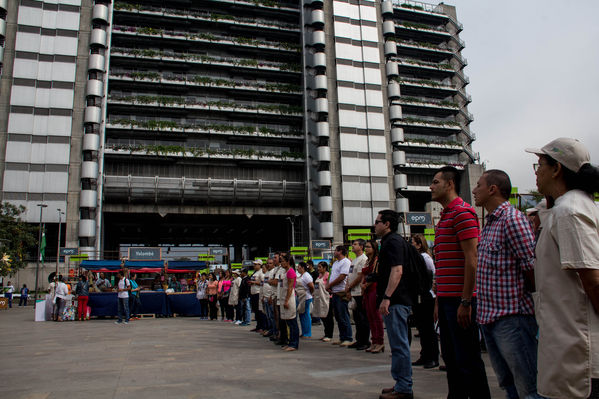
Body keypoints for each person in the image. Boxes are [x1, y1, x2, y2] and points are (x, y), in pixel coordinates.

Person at [526, 138, 599, 399]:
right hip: (568, 345)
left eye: (540, 165)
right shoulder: (563, 209)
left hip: (580, 355)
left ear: (556, 169)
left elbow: (593, 281)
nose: (537, 173)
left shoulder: (569, 211)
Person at [430, 166, 491, 399]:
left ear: (450, 183)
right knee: (451, 358)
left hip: (461, 300)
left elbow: (472, 259)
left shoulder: (463, 213)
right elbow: (443, 265)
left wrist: (466, 301)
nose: (431, 187)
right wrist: (438, 301)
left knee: (468, 359)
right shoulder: (445, 215)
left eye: (436, 182)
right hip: (446, 300)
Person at [374, 210, 414, 399]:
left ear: (387, 224)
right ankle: (400, 382)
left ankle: (404, 388)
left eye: (377, 222)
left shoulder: (393, 242)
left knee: (399, 345)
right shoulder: (391, 242)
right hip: (395, 301)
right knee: (397, 344)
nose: (375, 225)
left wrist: (387, 297)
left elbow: (397, 270)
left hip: (396, 301)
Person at [410, 234, 439, 369]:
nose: (411, 245)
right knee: (421, 328)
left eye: (413, 242)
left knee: (428, 328)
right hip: (418, 294)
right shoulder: (415, 257)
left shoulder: (425, 258)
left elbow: (431, 274)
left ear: (419, 244)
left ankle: (433, 356)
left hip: (427, 295)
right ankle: (424, 354)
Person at [345, 239, 370, 350]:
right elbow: (350, 275)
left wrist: (350, 286)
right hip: (353, 292)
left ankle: (365, 341)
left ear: (361, 246)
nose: (352, 246)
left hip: (359, 292)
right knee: (356, 318)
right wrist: (348, 288)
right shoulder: (354, 260)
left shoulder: (363, 259)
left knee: (362, 318)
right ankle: (359, 340)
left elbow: (360, 276)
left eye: (355, 244)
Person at [326, 245, 353, 346]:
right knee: (337, 316)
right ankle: (342, 337)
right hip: (334, 292)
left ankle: (348, 337)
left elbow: (342, 276)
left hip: (341, 292)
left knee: (343, 315)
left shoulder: (346, 262)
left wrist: (330, 284)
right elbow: (332, 275)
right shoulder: (336, 263)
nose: (334, 252)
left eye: (336, 250)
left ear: (341, 251)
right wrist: (329, 285)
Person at [361, 240, 385, 353]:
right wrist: (362, 284)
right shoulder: (367, 261)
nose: (366, 249)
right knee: (370, 316)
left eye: (368, 247)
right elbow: (363, 274)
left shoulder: (376, 260)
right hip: (366, 289)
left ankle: (380, 342)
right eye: (365, 247)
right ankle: (374, 341)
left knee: (376, 317)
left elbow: (376, 275)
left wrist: (366, 284)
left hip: (373, 288)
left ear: (374, 249)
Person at [280, 253, 299, 351]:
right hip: (284, 298)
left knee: (292, 322)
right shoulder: (285, 272)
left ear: (288, 262)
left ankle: (294, 344)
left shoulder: (290, 272)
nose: (281, 263)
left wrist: (287, 300)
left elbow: (290, 287)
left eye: (283, 261)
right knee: (288, 321)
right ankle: (290, 342)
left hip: (290, 298)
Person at [314, 261, 334, 341]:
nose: (318, 269)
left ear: (325, 268)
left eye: (320, 267)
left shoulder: (327, 275)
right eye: (318, 267)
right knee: (322, 316)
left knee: (328, 317)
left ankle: (329, 335)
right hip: (319, 299)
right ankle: (326, 333)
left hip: (327, 298)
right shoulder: (319, 276)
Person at [296, 262, 314, 338]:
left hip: (306, 297)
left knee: (305, 315)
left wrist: (310, 293)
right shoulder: (301, 276)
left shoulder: (307, 276)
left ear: (303, 268)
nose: (298, 268)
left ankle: (307, 333)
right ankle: (304, 332)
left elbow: (311, 286)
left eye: (299, 267)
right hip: (301, 297)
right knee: (302, 315)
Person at [248, 259, 265, 332]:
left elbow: (263, 282)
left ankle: (262, 326)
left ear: (259, 265)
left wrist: (254, 282)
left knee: (259, 311)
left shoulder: (261, 272)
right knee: (255, 310)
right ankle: (258, 325)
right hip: (253, 293)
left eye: (256, 264)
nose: (254, 266)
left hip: (258, 293)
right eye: (254, 264)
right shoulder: (255, 272)